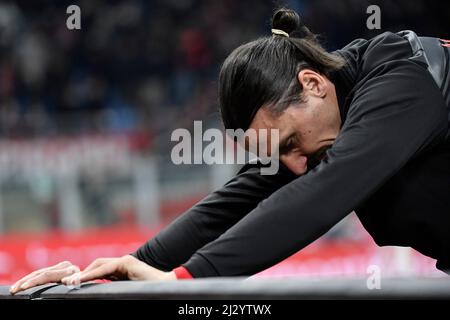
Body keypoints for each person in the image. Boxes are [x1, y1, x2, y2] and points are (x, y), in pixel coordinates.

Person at [10, 8, 450, 294]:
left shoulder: (401, 78)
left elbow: (325, 193)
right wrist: (113, 274)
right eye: (278, 155)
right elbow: (231, 203)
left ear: (312, 84)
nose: (295, 166)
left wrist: (184, 282)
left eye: (290, 145)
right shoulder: (324, 114)